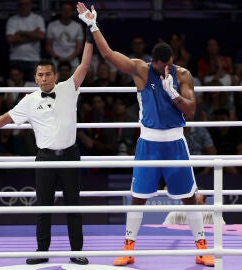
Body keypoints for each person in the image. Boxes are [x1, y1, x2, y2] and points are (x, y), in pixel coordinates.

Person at [77, 2, 214, 267]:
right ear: (155, 61)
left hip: (175, 142)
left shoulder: (183, 75)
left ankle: (201, 247)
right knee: (138, 196)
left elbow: (192, 110)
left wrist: (173, 93)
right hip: (148, 143)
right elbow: (108, 55)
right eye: (160, 67)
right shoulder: (141, 69)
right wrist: (93, 24)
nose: (164, 70)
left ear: (172, 61)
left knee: (188, 196)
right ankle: (128, 247)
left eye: (168, 66)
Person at [0, 29, 94, 265]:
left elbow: (85, 65)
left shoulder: (69, 88)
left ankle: (77, 251)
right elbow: (7, 117)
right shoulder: (29, 100)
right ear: (36, 78)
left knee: (73, 205)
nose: (45, 78)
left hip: (70, 155)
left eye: (48, 74)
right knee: (43, 207)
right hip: (45, 157)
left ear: (55, 76)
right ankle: (41, 250)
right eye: (41, 75)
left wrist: (89, 36)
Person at [6, 0, 46, 81]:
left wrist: (21, 32)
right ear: (18, 6)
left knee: (33, 88)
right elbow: (10, 39)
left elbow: (41, 36)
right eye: (21, 4)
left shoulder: (38, 19)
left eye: (26, 4)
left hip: (33, 59)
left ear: (31, 5)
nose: (23, 7)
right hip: (16, 58)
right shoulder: (12, 20)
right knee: (14, 88)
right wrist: (33, 35)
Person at [46, 1, 84, 72]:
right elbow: (48, 46)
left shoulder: (78, 26)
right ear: (60, 11)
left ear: (72, 12)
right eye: (64, 10)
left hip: (73, 61)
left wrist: (69, 58)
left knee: (74, 82)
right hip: (56, 60)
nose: (66, 12)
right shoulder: (52, 25)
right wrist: (57, 58)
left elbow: (79, 47)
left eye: (69, 10)